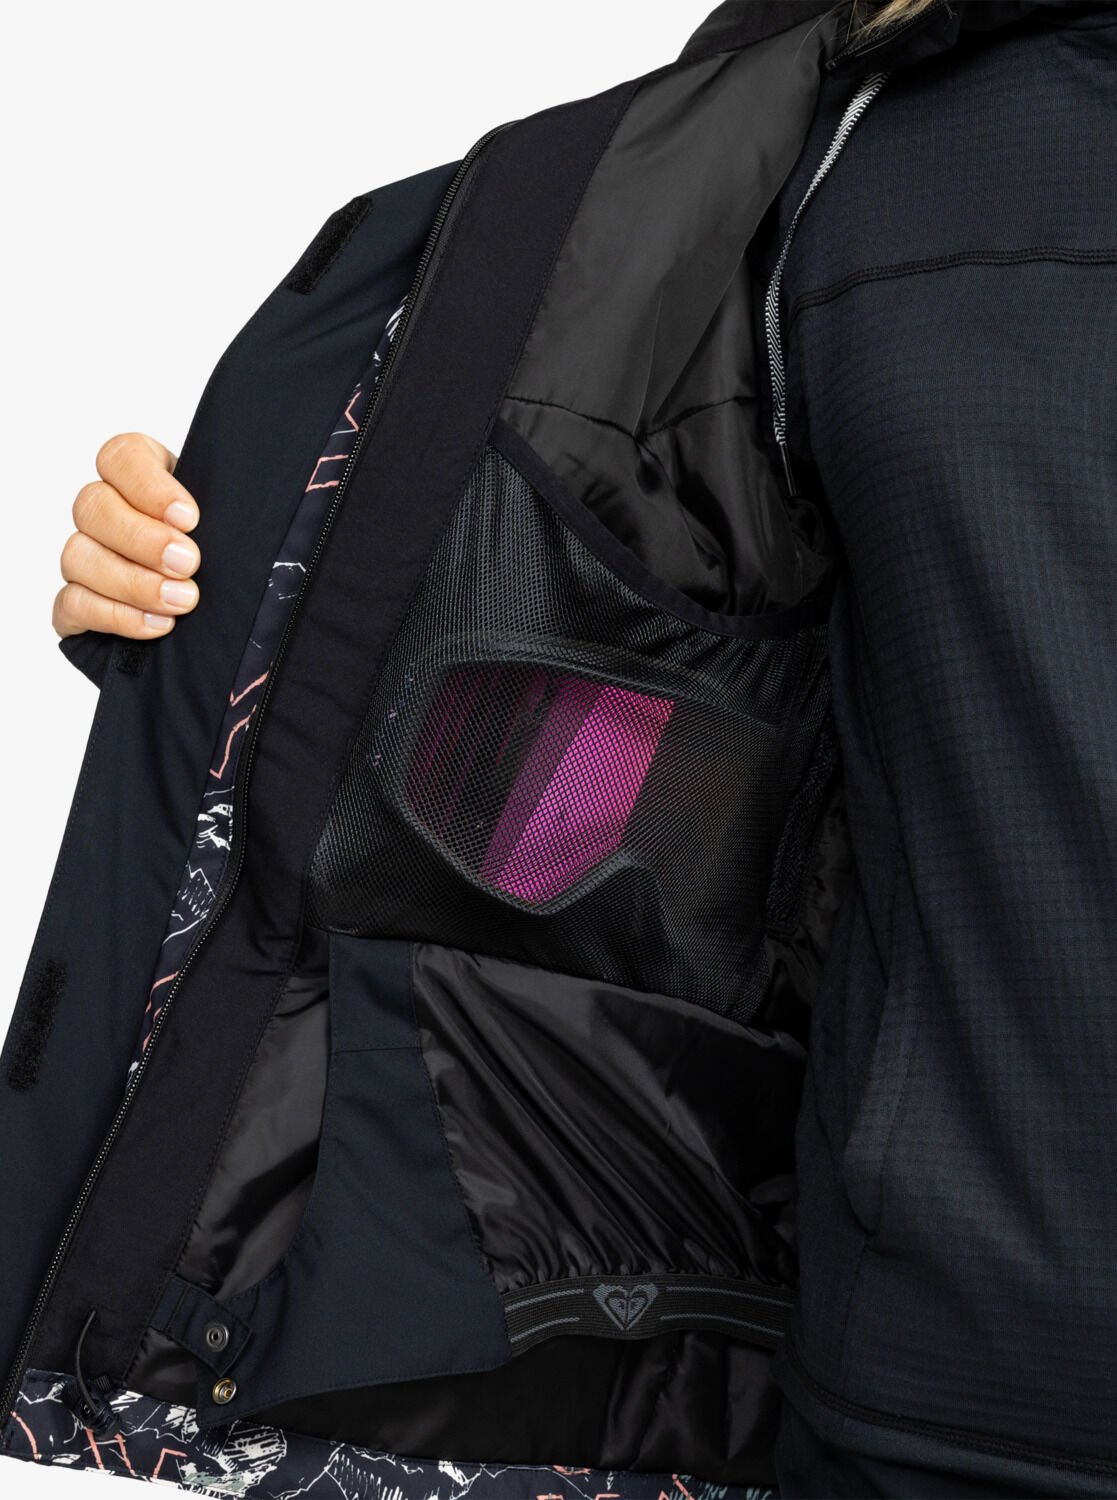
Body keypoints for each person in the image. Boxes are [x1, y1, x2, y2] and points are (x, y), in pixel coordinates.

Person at [27, 0, 1117, 1495]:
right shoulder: (831, 157)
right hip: (931, 1385)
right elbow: (617, 766)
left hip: (937, 1359)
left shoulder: (843, 156)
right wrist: (245, 596)